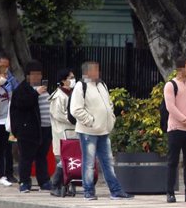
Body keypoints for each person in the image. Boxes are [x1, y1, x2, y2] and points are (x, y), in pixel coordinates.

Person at [70, 61, 133, 200]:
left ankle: (115, 190)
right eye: (94, 70)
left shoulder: (102, 84)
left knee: (108, 162)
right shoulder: (81, 86)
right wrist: (90, 121)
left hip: (103, 131)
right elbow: (75, 109)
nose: (98, 72)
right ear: (87, 72)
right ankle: (88, 191)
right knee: (89, 162)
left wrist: (111, 118)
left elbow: (109, 104)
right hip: (88, 131)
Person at [10, 61, 51, 193]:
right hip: (28, 129)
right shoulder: (22, 89)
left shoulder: (44, 89)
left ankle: (44, 181)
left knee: (41, 156)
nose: (37, 77)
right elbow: (23, 104)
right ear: (27, 76)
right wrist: (36, 93)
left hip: (45, 127)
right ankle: (24, 182)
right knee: (26, 157)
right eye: (33, 74)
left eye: (39, 74)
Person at [164, 57, 186, 203]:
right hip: (176, 128)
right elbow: (170, 107)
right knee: (173, 161)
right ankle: (170, 191)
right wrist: (184, 119)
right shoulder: (171, 85)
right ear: (180, 69)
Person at [48, 68, 76, 197]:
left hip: (72, 132)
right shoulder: (58, 96)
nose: (73, 80)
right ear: (63, 80)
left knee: (70, 160)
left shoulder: (71, 94)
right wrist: (76, 119)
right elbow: (59, 114)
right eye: (70, 78)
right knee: (64, 160)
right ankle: (55, 185)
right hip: (62, 132)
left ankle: (64, 185)